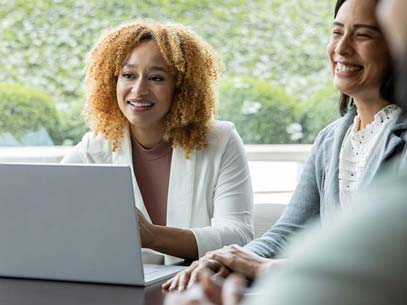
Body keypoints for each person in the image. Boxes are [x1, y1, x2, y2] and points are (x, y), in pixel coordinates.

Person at [163, 0, 407, 303]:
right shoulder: (331, 139)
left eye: (363, 35)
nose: (341, 48)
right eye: (336, 32)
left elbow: (383, 266)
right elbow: (286, 233)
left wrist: (261, 267)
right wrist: (224, 260)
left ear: (398, 46)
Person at [61, 21, 254, 264]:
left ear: (182, 87)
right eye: (128, 75)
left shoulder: (221, 141)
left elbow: (239, 236)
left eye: (156, 78)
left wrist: (151, 236)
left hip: (197, 292)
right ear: (112, 82)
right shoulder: (94, 149)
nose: (139, 90)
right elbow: (46, 210)